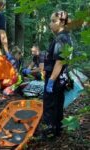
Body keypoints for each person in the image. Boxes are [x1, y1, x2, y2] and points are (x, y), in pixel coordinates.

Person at [41, 10, 73, 139]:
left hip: (55, 77)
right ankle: (57, 129)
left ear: (62, 22)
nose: (50, 24)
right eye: (51, 21)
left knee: (49, 105)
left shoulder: (61, 38)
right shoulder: (65, 36)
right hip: (60, 77)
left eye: (53, 21)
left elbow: (59, 62)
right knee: (58, 103)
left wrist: (51, 81)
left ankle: (48, 133)